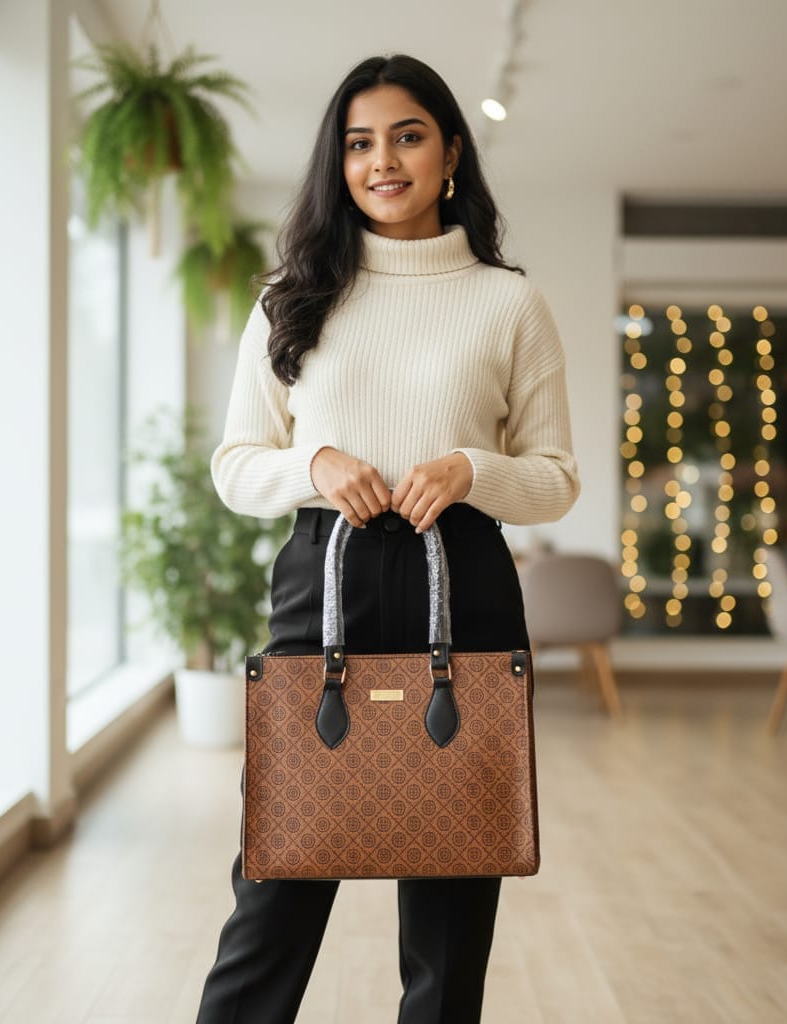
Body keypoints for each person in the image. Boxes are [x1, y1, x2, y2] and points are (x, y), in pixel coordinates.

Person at [195, 53, 580, 1024]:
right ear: (337, 163)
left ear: (450, 151)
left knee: (454, 891)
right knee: (276, 877)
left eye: (406, 135)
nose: (382, 161)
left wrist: (469, 469)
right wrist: (314, 464)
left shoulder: (506, 302)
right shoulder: (293, 295)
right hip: (323, 578)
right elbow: (238, 464)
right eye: (358, 143)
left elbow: (555, 479)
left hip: (467, 576)